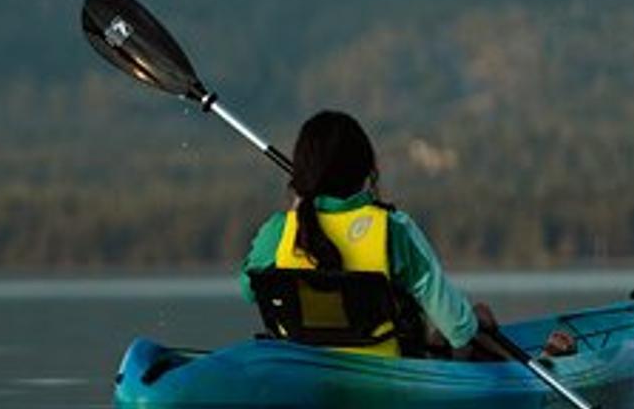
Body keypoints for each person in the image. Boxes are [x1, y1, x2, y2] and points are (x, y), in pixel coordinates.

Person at [239, 110, 561, 360]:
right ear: (366, 171)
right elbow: (458, 328)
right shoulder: (394, 229)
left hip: (307, 374)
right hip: (390, 378)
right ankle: (545, 361)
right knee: (476, 320)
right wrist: (476, 322)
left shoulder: (278, 231)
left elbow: (249, 289)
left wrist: (296, 210)